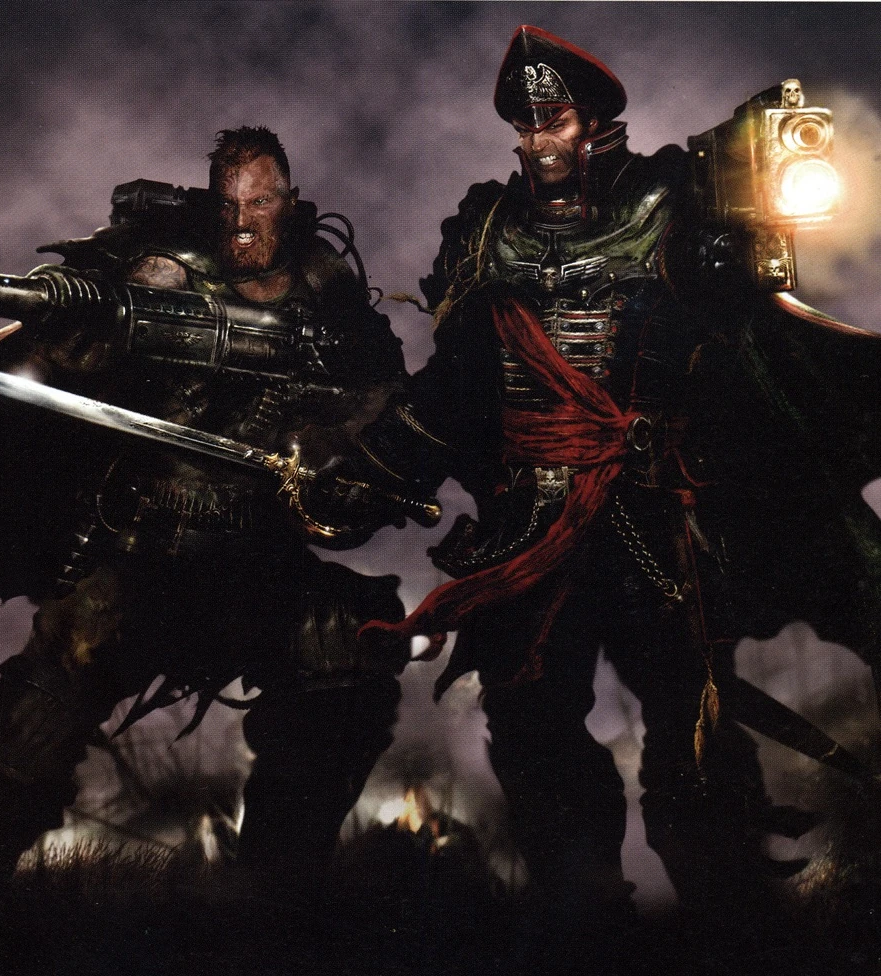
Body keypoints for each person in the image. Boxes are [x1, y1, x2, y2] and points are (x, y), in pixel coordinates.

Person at [0, 126, 412, 928]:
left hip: (254, 562)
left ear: (287, 204)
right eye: (228, 205)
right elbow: (65, 348)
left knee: (340, 643)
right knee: (29, 719)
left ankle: (272, 899)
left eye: (259, 203)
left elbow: (385, 412)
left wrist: (340, 459)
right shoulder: (160, 273)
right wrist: (66, 341)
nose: (241, 223)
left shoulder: (329, 297)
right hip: (136, 558)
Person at [351, 24, 881, 965]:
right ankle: (585, 924)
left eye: (551, 119)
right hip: (527, 529)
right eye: (524, 124)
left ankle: (731, 925)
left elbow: (736, 332)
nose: (535, 140)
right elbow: (457, 381)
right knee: (533, 730)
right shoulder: (485, 228)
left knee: (693, 724)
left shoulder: (672, 206)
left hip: (652, 521)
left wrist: (726, 259)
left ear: (594, 121)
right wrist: (381, 467)